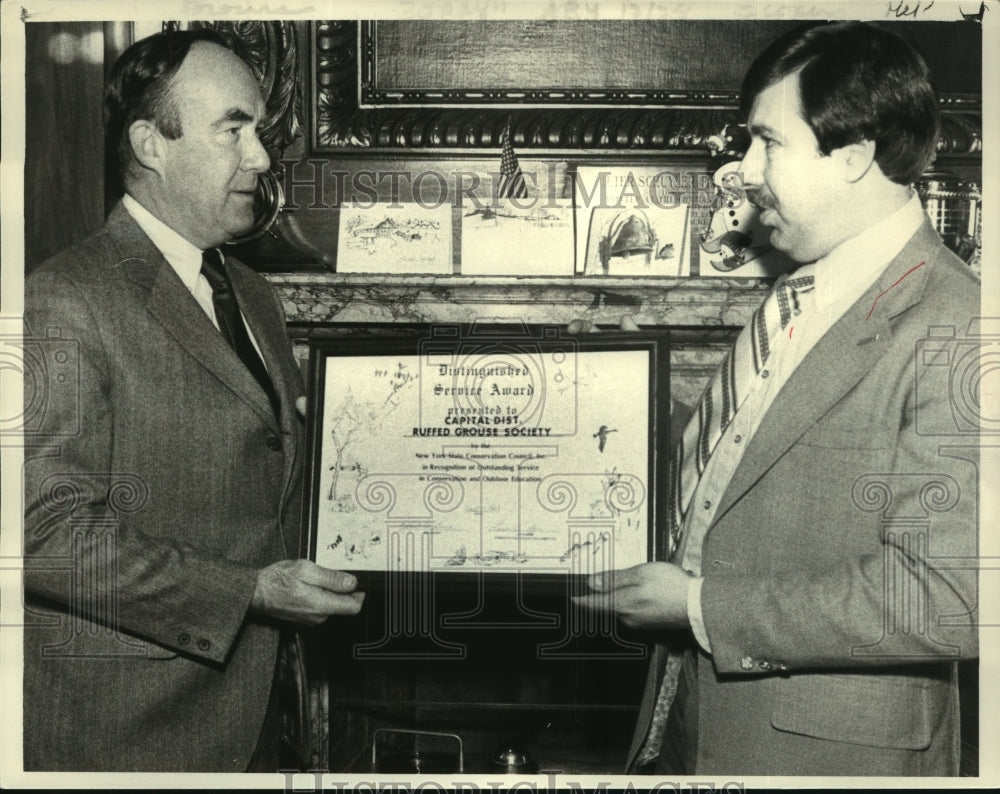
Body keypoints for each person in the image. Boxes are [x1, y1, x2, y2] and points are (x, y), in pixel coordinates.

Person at [575, 21, 979, 776]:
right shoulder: (804, 288)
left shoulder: (958, 325)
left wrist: (699, 609)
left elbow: (949, 597)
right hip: (699, 724)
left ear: (854, 156)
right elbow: (741, 476)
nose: (744, 171)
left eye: (768, 143)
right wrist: (591, 402)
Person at [22, 29, 364, 772]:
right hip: (126, 739)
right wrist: (249, 593)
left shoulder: (251, 295)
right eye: (233, 130)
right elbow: (43, 537)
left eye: (262, 133)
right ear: (151, 144)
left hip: (257, 720)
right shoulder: (64, 299)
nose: (263, 159)